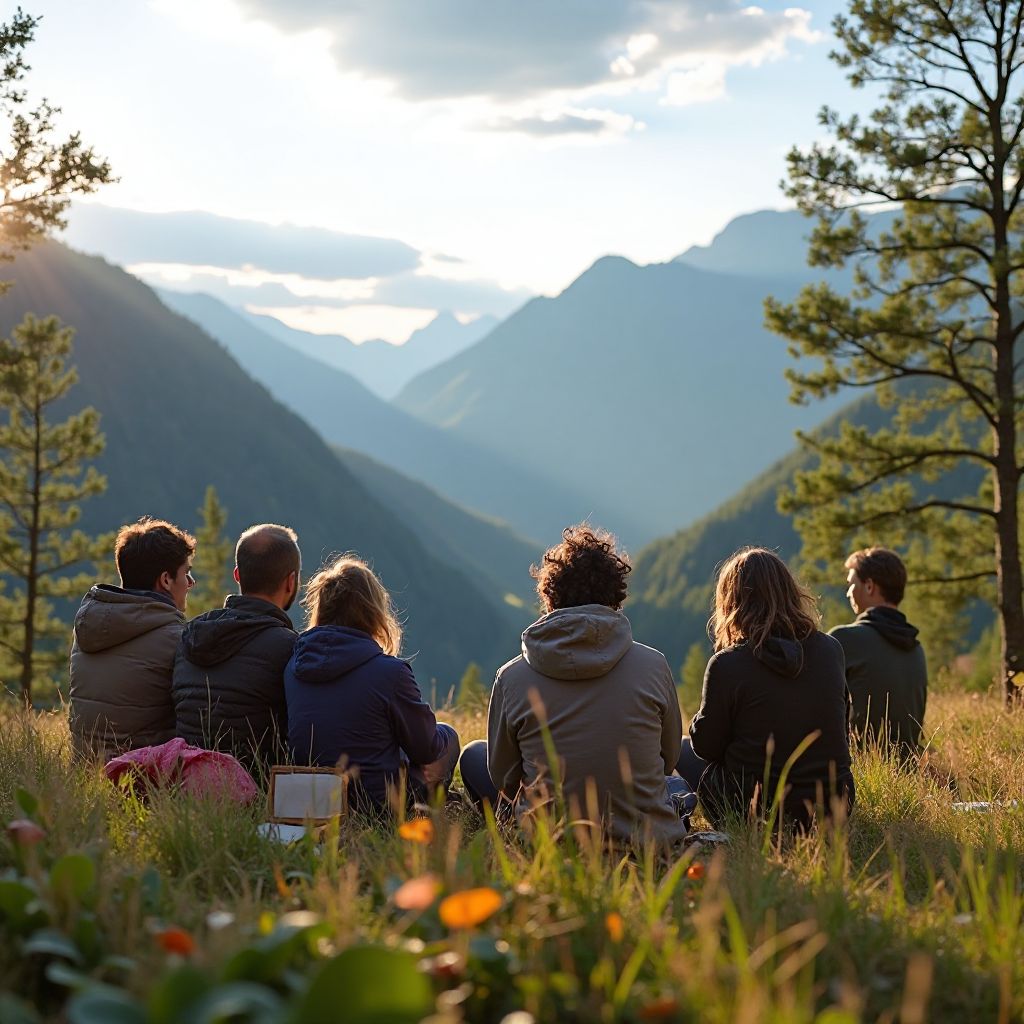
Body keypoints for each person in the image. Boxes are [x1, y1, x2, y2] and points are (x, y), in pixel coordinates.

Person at [458, 524, 692, 846]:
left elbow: (505, 779)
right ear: (615, 596)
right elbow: (667, 759)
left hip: (549, 845)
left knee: (473, 755)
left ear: (550, 597)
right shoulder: (654, 665)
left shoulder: (511, 678)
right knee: (677, 788)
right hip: (645, 841)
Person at [676, 547, 854, 832]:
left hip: (753, 809)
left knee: (683, 749)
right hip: (833, 806)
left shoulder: (727, 664)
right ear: (790, 593)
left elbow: (706, 747)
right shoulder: (830, 649)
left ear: (731, 603)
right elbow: (842, 730)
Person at [285, 555, 458, 811]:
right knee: (448, 736)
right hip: (376, 805)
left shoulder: (294, 667)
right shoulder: (390, 672)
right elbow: (427, 749)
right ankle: (428, 812)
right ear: (372, 611)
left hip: (313, 802)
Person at [173, 524, 301, 775]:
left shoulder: (190, 636)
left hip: (186, 781)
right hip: (258, 786)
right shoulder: (290, 648)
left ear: (237, 575)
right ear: (291, 581)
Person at [69, 517, 195, 762]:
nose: (190, 583)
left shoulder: (88, 627)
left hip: (85, 770)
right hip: (144, 775)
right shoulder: (176, 638)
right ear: (166, 580)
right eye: (186, 573)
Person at [829, 547, 927, 757]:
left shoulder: (844, 639)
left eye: (851, 584)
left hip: (857, 767)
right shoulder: (916, 649)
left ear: (869, 586)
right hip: (910, 768)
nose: (848, 593)